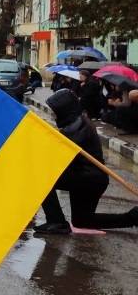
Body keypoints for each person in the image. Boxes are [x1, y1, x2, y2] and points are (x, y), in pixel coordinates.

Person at [36, 89, 138, 234]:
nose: (54, 114)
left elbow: (59, 153)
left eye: (56, 111)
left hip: (89, 179)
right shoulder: (76, 123)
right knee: (82, 221)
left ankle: (56, 221)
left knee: (42, 180)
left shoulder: (80, 129)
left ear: (65, 110)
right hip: (86, 178)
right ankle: (133, 218)